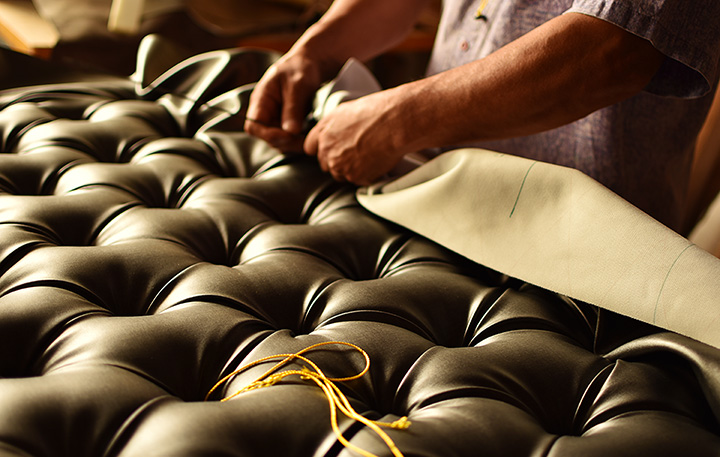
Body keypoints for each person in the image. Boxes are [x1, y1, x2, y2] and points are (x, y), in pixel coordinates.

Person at [244, 0, 720, 234]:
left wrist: (395, 122)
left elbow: (614, 50)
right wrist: (316, 52)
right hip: (426, 196)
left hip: (576, 254)